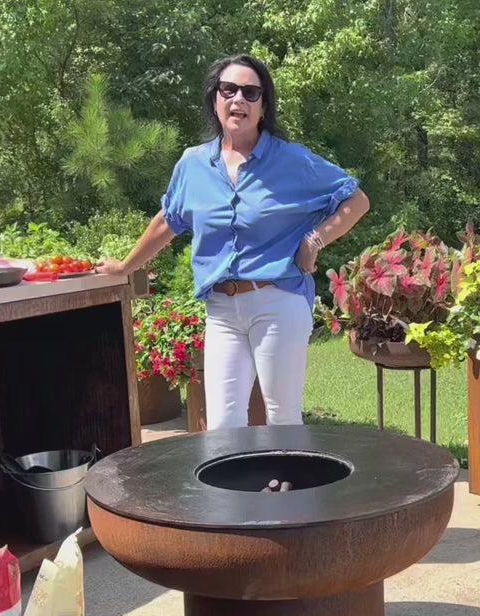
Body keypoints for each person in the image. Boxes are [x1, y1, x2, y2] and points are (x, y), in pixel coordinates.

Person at [97, 54, 370, 428]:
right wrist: (126, 266)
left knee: (282, 416)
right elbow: (169, 220)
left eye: (250, 92)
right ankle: (234, 490)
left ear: (263, 106)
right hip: (221, 309)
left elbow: (356, 200)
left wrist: (314, 239)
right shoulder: (193, 164)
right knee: (224, 422)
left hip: (278, 302)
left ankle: (286, 486)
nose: (238, 99)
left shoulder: (292, 161)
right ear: (215, 100)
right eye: (229, 89)